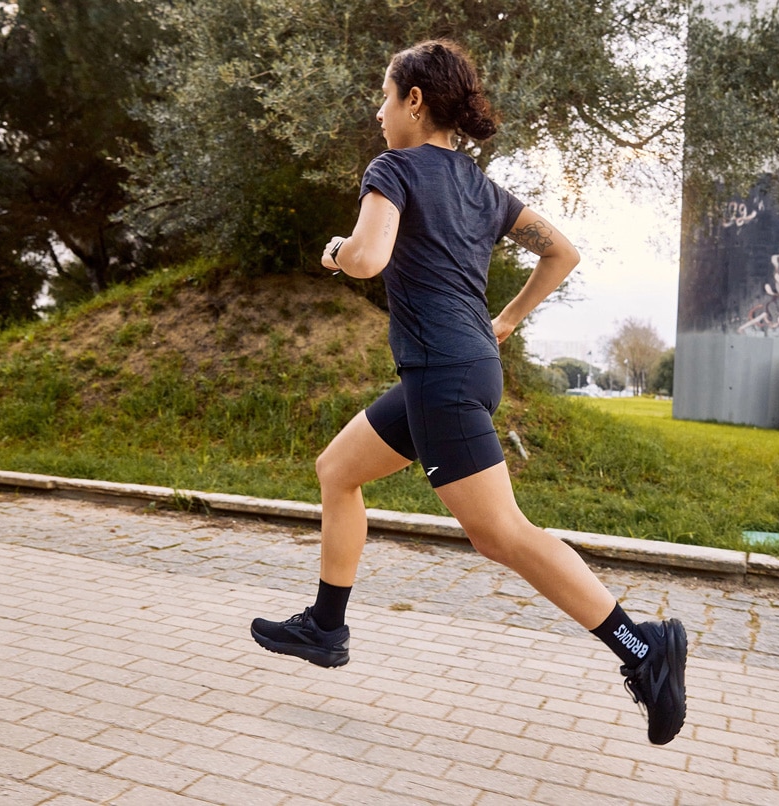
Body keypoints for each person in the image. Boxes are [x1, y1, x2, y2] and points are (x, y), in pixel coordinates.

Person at [250, 39, 688, 745]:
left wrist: (335, 251)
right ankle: (325, 626)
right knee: (338, 470)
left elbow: (366, 258)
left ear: (414, 100)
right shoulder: (480, 187)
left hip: (442, 376)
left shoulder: (392, 167)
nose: (378, 109)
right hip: (463, 367)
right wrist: (507, 320)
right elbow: (562, 251)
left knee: (501, 534)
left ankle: (645, 649)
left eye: (384, 94)